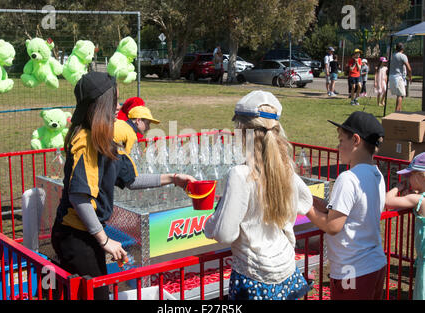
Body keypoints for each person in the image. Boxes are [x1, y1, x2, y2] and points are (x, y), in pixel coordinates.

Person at [51, 72, 195, 300]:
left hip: (89, 233)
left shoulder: (107, 139)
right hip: (73, 235)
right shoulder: (85, 141)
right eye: (115, 100)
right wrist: (104, 239)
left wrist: (174, 178)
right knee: (96, 295)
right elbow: (79, 197)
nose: (118, 106)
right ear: (101, 104)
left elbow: (132, 180)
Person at [204, 90, 313, 300]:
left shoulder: (240, 174)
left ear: (242, 132)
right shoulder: (285, 167)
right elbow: (305, 201)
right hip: (286, 268)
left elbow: (224, 234)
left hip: (254, 276)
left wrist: (211, 223)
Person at [306, 111, 387, 300]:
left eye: (342, 141)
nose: (338, 146)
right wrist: (326, 206)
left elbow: (333, 226)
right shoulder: (377, 175)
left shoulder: (348, 178)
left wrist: (305, 208)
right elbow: (358, 211)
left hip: (352, 269)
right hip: (375, 264)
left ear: (356, 140)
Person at [385, 152, 425, 300]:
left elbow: (387, 201)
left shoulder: (417, 199)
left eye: (410, 175)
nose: (407, 179)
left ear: (421, 177)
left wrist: (398, 187)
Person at [389, 42, 412, 112]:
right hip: (398, 77)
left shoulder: (392, 55)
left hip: (391, 76)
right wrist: (410, 76)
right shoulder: (403, 56)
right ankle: (397, 112)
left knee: (399, 95)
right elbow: (409, 68)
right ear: (402, 48)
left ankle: (399, 110)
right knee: (401, 95)